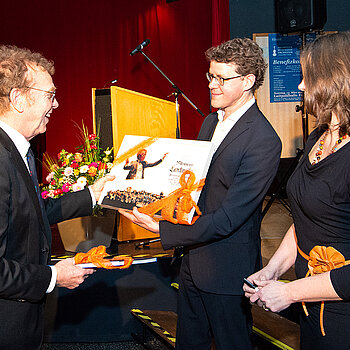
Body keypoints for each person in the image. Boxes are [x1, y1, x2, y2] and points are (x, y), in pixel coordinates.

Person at [120, 38, 281, 349]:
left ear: (248, 81)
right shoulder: (210, 121)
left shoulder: (264, 140)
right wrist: (154, 201)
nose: (212, 85)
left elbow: (229, 218)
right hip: (192, 262)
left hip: (227, 271)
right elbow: (194, 189)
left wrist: (162, 229)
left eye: (222, 78)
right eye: (210, 76)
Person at [0, 45, 113, 349]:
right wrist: (51, 277)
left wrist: (93, 193)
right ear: (18, 99)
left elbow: (33, 212)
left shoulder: (18, 150)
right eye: (50, 95)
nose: (57, 103)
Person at [244, 32, 350, 349]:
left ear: (335, 80)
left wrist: (290, 292)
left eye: (308, 77)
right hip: (311, 303)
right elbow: (306, 218)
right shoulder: (317, 136)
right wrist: (273, 270)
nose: (301, 86)